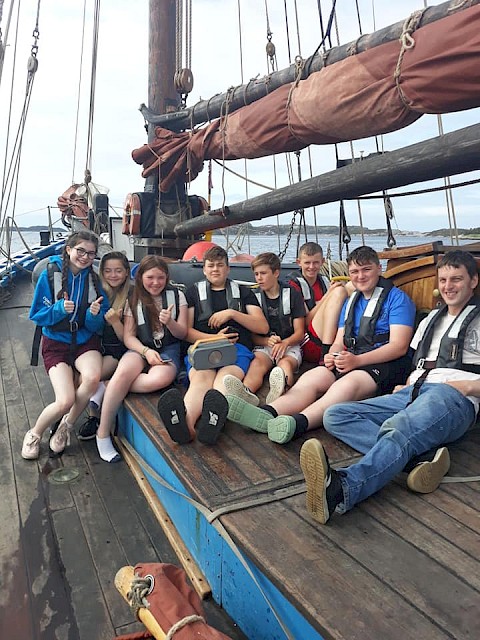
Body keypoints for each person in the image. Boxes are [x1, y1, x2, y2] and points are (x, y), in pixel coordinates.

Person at [300, 249, 480, 524]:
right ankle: (419, 460)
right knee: (336, 415)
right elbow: (419, 362)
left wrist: (464, 388)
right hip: (414, 392)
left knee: (399, 429)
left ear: (473, 282)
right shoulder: (432, 319)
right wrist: (407, 384)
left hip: (452, 398)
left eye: (456, 279)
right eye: (443, 280)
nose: (448, 286)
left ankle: (343, 489)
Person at [226, 246, 416, 444]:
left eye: (366, 269)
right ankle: (267, 413)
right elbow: (339, 339)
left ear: (378, 269)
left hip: (383, 364)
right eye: (354, 272)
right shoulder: (352, 302)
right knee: (312, 377)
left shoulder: (397, 300)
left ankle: (298, 423)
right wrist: (332, 355)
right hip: (351, 357)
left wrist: (357, 360)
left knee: (345, 386)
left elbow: (399, 346)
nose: (360, 276)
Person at [158, 245, 268, 446]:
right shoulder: (193, 293)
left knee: (225, 380)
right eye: (211, 266)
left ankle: (212, 418)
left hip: (235, 350)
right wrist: (214, 339)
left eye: (220, 265)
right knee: (200, 380)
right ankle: (187, 424)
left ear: (227, 269)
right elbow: (187, 331)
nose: (215, 269)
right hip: (203, 349)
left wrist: (232, 313)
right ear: (204, 269)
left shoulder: (243, 293)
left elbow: (262, 326)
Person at [22, 230, 110, 459]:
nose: (85, 257)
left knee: (92, 377)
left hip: (83, 341)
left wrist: (92, 315)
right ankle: (34, 433)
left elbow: (95, 326)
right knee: (65, 400)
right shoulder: (50, 275)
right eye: (80, 250)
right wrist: (59, 309)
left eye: (91, 253)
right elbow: (37, 316)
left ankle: (65, 427)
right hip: (56, 343)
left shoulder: (94, 280)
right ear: (69, 249)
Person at [95, 255, 188, 462]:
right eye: (150, 277)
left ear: (167, 278)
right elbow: (128, 336)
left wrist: (170, 322)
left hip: (168, 349)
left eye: (160, 278)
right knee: (125, 371)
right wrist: (146, 352)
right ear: (141, 278)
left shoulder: (178, 296)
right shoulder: (133, 298)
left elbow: (182, 333)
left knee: (159, 379)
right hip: (140, 348)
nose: (155, 283)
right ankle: (102, 434)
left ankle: (109, 385)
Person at [223, 252, 306, 405]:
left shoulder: (292, 294)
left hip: (289, 345)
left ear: (276, 273)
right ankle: (245, 394)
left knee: (285, 364)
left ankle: (282, 393)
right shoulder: (253, 297)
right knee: (257, 364)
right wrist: (267, 341)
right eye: (256, 274)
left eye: (263, 273)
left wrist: (284, 343)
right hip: (264, 345)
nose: (259, 278)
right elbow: (252, 336)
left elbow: (300, 332)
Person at [77, 251, 132, 440]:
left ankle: (94, 417)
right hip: (97, 346)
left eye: (118, 271)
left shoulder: (131, 295)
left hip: (119, 350)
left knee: (94, 376)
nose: (113, 275)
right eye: (108, 271)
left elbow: (127, 339)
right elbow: (92, 326)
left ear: (127, 272)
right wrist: (93, 315)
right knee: (81, 374)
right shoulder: (98, 292)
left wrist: (116, 322)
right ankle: (76, 412)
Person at [288, 241, 353, 364]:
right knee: (339, 291)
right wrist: (328, 295)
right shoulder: (293, 286)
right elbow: (305, 322)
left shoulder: (324, 281)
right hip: (308, 341)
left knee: (351, 286)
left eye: (316, 262)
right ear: (299, 262)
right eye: (307, 262)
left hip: (330, 335)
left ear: (322, 262)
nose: (311, 267)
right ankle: (326, 351)